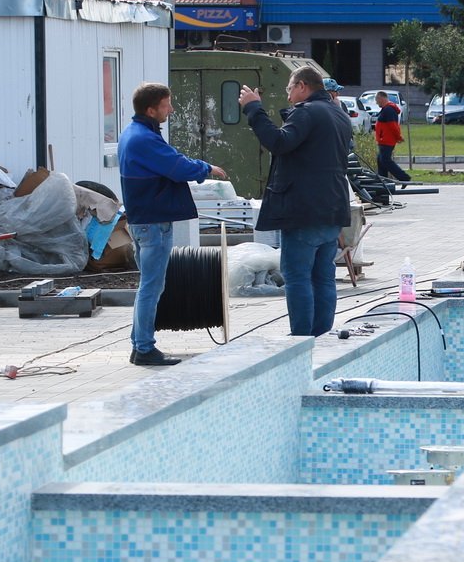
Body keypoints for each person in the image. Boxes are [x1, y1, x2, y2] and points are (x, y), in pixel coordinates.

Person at [239, 66, 354, 337]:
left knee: (298, 276)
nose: (288, 94)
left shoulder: (308, 112)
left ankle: (301, 337)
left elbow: (279, 142)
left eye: (290, 88)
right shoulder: (339, 114)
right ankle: (322, 334)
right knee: (323, 276)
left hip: (304, 211)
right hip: (333, 209)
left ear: (303, 86)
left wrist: (254, 109)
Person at [118, 82, 227, 366]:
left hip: (144, 220)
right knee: (152, 287)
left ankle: (139, 344)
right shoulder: (144, 139)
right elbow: (177, 167)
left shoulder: (135, 133)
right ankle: (143, 348)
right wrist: (207, 169)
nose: (172, 109)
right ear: (151, 109)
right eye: (167, 105)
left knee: (149, 285)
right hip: (153, 222)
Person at [372, 90, 412, 185]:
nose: (376, 102)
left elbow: (393, 125)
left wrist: (398, 137)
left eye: (377, 100)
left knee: (385, 160)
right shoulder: (386, 109)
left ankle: (404, 178)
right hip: (383, 140)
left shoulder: (389, 110)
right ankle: (383, 180)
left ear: (381, 98)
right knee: (381, 160)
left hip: (387, 140)